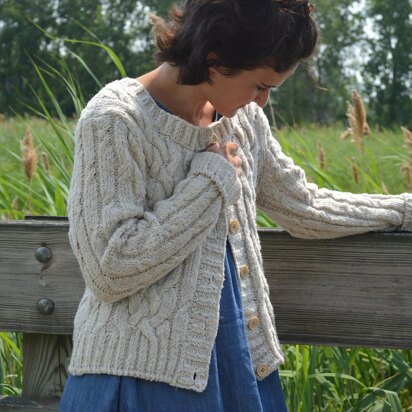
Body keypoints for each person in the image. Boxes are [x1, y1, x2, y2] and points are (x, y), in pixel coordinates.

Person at [60, 0, 412, 411]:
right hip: (139, 375)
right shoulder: (116, 119)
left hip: (239, 365)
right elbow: (109, 267)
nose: (262, 101)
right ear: (214, 60)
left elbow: (303, 204)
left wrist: (403, 210)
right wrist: (211, 181)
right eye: (260, 85)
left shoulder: (243, 121)